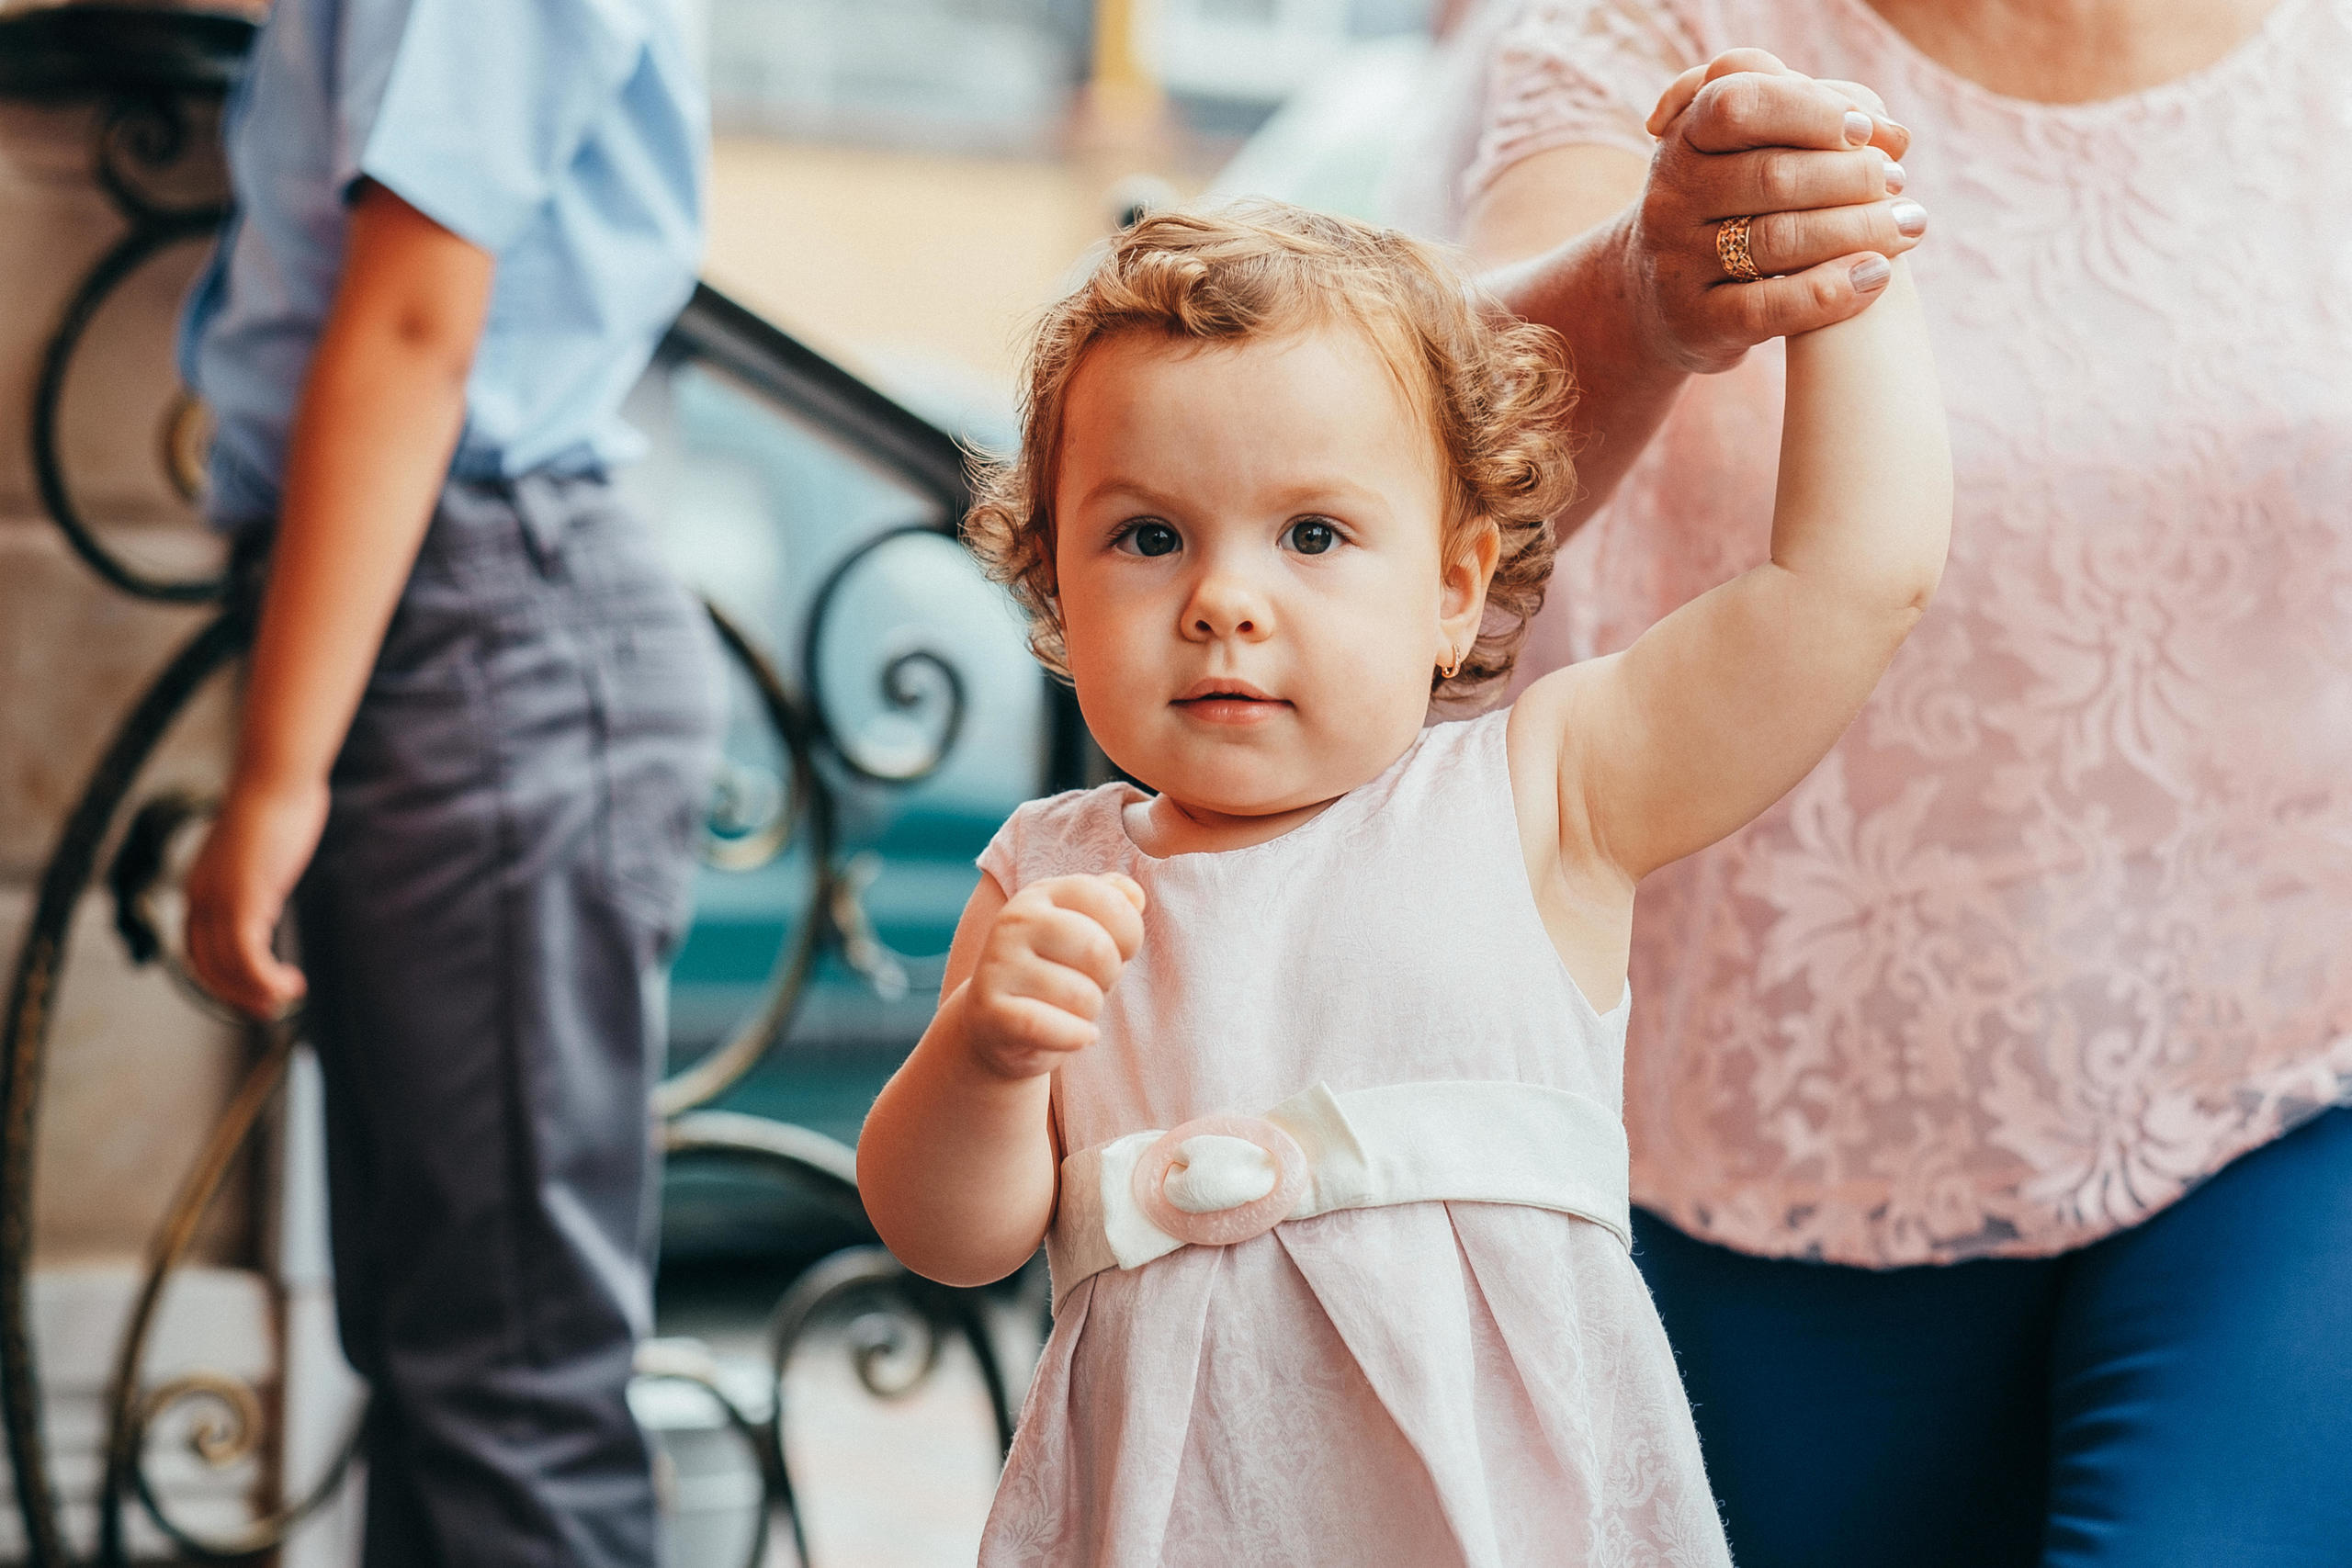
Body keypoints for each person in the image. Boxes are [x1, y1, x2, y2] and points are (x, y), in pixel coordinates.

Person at [854, 197, 1948, 1563]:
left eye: (1311, 535)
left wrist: (1853, 270)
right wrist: (987, 1056)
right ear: (1055, 590)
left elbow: (1847, 584)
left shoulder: (1545, 799)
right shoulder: (1045, 882)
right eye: (1148, 538)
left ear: (1453, 587)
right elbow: (946, 1236)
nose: (1223, 601)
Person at [1444, 3, 2352, 1563]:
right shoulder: (1645, 28)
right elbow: (1437, 514)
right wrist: (1644, 290)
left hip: (2285, 1073)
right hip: (1755, 1118)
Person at [176, 2, 722, 1563]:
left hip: (484, 627)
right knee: (451, 1379)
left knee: (505, 1403)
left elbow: (419, 323)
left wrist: (278, 774)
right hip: (459, 621)